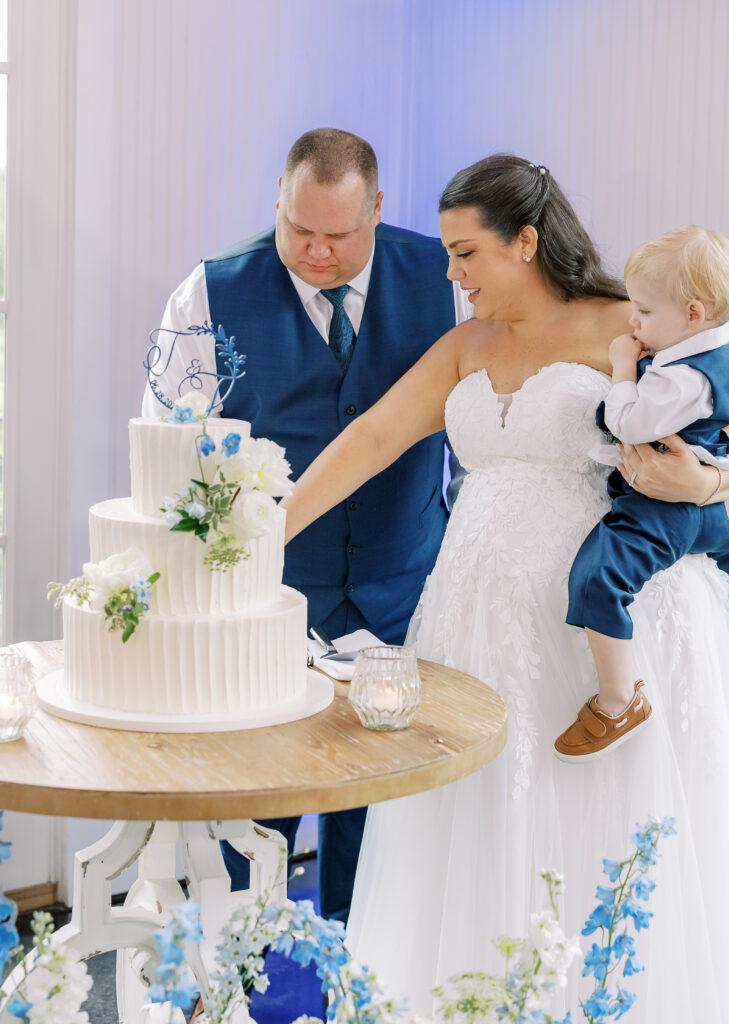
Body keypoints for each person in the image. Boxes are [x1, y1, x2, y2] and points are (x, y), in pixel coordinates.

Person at [281, 155, 729, 1021]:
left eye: (465, 252)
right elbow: (371, 439)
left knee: (600, 819)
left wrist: (705, 484)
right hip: (472, 616)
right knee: (475, 819)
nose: (451, 273)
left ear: (524, 242)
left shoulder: (620, 325)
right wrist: (264, 536)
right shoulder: (463, 347)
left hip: (601, 620)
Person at [143, 128, 471, 927]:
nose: (317, 253)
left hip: (404, 592)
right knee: (255, 813)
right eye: (300, 231)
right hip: (271, 604)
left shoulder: (448, 279)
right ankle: (224, 990)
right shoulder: (209, 293)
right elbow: (168, 450)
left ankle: (361, 990)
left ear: (378, 210)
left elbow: (476, 440)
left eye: (339, 235)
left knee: (384, 816)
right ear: (277, 199)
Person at [556, 225, 729, 762]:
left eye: (645, 313)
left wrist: (623, 366)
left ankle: (618, 699)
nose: (634, 321)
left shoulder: (675, 377)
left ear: (693, 314)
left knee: (598, 578)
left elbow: (628, 422)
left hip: (659, 504)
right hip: (707, 503)